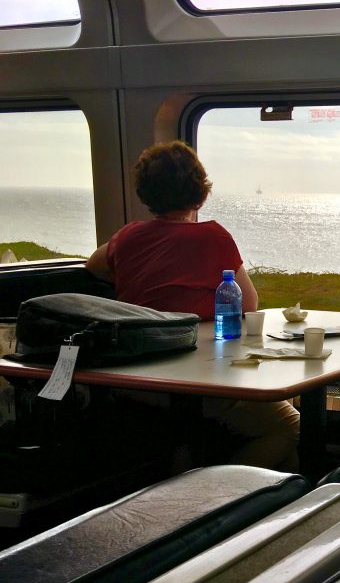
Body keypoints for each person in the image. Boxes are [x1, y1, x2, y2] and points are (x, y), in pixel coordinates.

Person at [86, 140, 299, 471]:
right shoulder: (213, 237)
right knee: (291, 426)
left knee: (284, 403)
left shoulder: (127, 238)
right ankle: (214, 504)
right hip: (193, 384)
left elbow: (94, 264)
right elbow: (249, 303)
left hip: (134, 382)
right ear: (201, 193)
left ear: (145, 194)